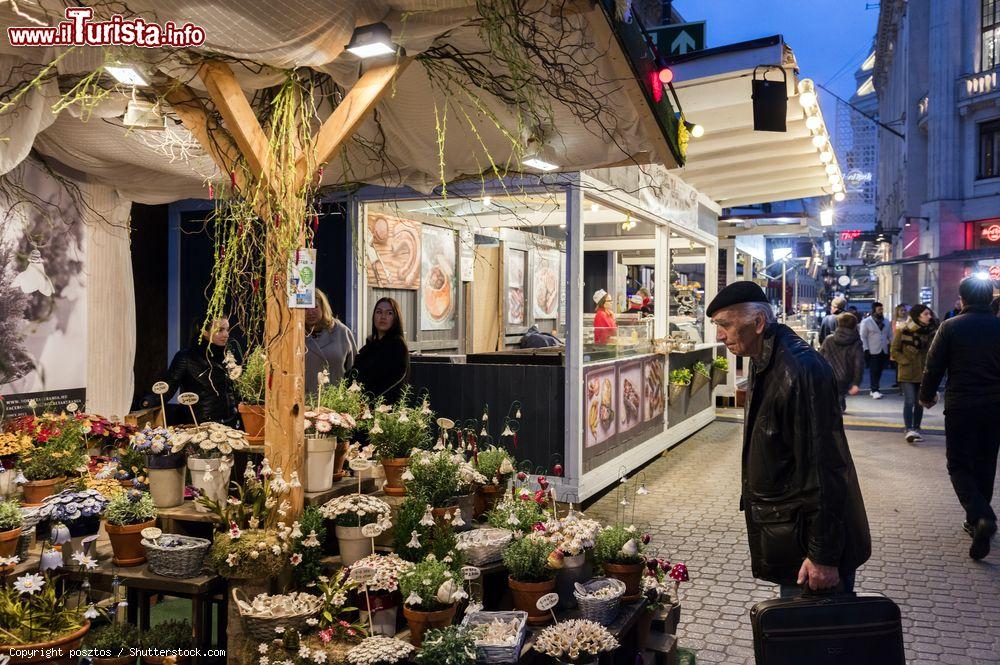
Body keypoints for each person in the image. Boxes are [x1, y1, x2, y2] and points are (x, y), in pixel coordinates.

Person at [708, 281, 871, 595]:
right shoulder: (765, 359)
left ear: (757, 323)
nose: (719, 335)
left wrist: (823, 555)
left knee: (815, 637)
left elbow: (824, 468)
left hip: (808, 544)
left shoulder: (799, 369)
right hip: (791, 531)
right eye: (717, 326)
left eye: (726, 325)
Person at [919, 277, 1000, 560]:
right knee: (986, 462)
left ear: (961, 299)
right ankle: (975, 519)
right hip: (995, 406)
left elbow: (933, 366)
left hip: (962, 405)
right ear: (990, 298)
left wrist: (926, 396)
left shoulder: (951, 327)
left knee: (959, 465)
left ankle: (981, 516)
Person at [143, 316, 240, 427]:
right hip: (202, 426)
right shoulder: (187, 357)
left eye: (227, 330)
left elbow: (233, 390)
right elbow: (169, 385)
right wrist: (149, 401)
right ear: (205, 332)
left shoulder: (228, 356)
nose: (226, 335)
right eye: (219, 330)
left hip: (232, 424)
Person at [353, 297, 410, 405]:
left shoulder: (398, 345)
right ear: (373, 316)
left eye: (389, 313)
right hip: (361, 408)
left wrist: (369, 402)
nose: (383, 317)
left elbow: (394, 381)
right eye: (379, 312)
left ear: (396, 318)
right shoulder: (368, 347)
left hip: (384, 410)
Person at [890, 304, 934, 443]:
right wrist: (905, 361)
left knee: (919, 402)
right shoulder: (903, 330)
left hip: (923, 371)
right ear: (918, 316)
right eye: (926, 314)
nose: (929, 317)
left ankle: (916, 428)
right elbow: (894, 350)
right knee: (909, 401)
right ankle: (909, 428)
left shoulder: (931, 331)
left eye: (929, 314)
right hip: (907, 371)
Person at [304, 290, 357, 394]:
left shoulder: (342, 332)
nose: (310, 312)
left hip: (336, 401)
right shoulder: (294, 335)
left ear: (323, 307)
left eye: (315, 306)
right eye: (306, 307)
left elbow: (354, 370)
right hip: (305, 403)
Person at [819, 313, 864, 413]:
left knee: (831, 399)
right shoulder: (856, 342)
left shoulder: (829, 339)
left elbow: (819, 357)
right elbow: (858, 364)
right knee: (839, 397)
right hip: (845, 376)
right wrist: (856, 382)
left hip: (828, 374)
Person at [859, 302, 892, 399]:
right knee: (874, 370)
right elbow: (863, 337)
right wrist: (865, 349)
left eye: (882, 309)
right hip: (872, 349)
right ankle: (874, 389)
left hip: (883, 349)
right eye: (879, 310)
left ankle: (874, 389)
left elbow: (890, 335)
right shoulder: (866, 322)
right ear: (874, 310)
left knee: (880, 370)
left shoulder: (886, 321)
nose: (881, 311)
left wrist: (892, 345)